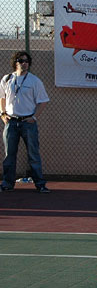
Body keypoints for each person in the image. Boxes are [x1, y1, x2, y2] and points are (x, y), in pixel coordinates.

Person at [0, 51, 50, 193]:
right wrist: (3, 114)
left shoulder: (34, 81)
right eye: (21, 61)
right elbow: (1, 97)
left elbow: (43, 101)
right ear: (15, 62)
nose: (24, 63)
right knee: (9, 155)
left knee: (33, 154)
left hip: (28, 123)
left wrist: (34, 117)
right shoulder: (7, 79)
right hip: (11, 122)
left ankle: (40, 184)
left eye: (27, 61)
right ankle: (7, 183)